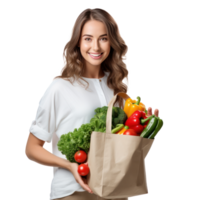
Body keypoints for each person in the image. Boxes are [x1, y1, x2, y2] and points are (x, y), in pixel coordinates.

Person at [24, 7, 161, 200]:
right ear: (78, 42)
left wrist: (145, 125)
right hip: (72, 191)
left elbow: (124, 147)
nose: (95, 47)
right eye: (88, 38)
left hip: (114, 190)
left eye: (103, 38)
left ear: (112, 42)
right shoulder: (59, 88)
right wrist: (69, 165)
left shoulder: (116, 88)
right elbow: (31, 148)